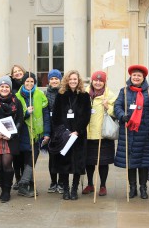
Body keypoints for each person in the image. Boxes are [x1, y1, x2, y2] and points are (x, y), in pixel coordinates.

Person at [114, 65, 149, 199]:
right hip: (128, 133)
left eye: (139, 75)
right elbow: (117, 106)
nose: (136, 77)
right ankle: (132, 188)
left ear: (143, 77)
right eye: (134, 75)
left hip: (145, 133)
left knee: (143, 163)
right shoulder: (124, 91)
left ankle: (143, 188)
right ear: (130, 76)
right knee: (131, 162)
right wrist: (122, 115)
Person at [51, 70, 91, 200]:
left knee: (77, 163)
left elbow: (86, 116)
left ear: (78, 81)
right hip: (64, 136)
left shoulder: (84, 96)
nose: (73, 81)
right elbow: (56, 117)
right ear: (67, 81)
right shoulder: (61, 95)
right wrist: (65, 132)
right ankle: (66, 189)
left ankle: (74, 188)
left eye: (75, 79)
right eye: (70, 79)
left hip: (79, 135)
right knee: (64, 163)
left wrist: (77, 131)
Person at [0, 76, 24, 202]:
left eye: (7, 87)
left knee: (7, 164)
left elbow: (20, 120)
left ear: (10, 88)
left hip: (9, 138)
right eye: (2, 86)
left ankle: (7, 190)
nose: (4, 88)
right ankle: (2, 187)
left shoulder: (16, 101)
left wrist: (11, 134)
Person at [15, 72, 50, 197]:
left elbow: (46, 115)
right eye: (27, 81)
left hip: (37, 132)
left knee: (33, 156)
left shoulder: (40, 95)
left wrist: (46, 132)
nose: (29, 84)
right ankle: (26, 184)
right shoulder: (17, 96)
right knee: (27, 157)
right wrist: (26, 112)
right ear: (23, 82)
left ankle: (24, 183)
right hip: (23, 131)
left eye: (32, 81)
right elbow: (14, 115)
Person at [83, 70, 116, 197]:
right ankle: (90, 184)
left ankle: (102, 185)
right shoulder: (85, 93)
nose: (97, 83)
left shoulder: (110, 95)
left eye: (100, 81)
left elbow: (115, 113)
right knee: (89, 161)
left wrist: (108, 106)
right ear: (92, 81)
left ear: (104, 82)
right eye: (95, 80)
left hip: (103, 134)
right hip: (87, 133)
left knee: (103, 162)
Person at [45, 69, 63, 194]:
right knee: (52, 158)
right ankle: (53, 181)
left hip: (62, 130)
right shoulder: (45, 94)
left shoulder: (64, 93)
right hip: (50, 129)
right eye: (52, 79)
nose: (54, 81)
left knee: (62, 156)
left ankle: (61, 182)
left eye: (56, 78)